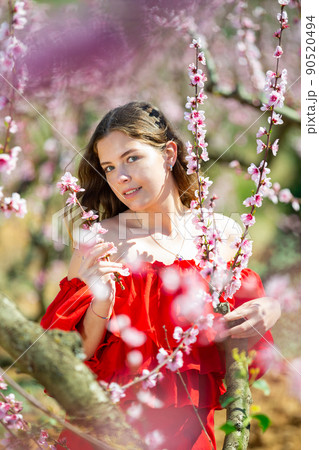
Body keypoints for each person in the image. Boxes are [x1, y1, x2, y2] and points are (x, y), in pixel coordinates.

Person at [40, 101, 281, 449]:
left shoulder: (222, 235)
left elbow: (240, 341)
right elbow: (72, 357)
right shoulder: (99, 242)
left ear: (168, 154)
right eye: (108, 166)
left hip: (192, 435)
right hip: (108, 436)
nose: (119, 176)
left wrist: (269, 307)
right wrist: (101, 302)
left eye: (131, 158)